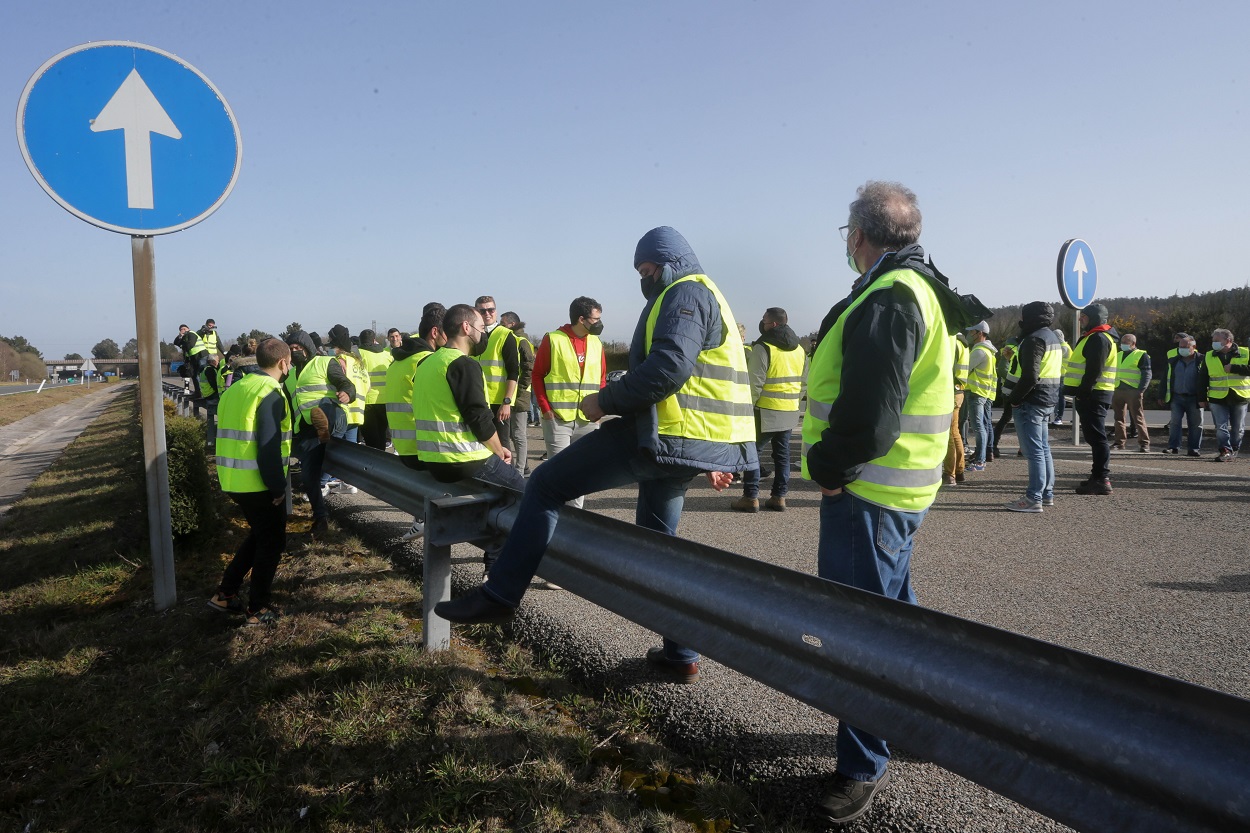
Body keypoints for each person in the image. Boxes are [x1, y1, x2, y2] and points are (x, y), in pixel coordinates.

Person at [435, 227, 755, 684]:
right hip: (687, 442)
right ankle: (680, 653)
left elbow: (669, 367)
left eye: (648, 270)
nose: (644, 279)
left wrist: (604, 401)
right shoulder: (709, 295)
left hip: (664, 437)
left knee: (545, 485)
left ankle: (500, 594)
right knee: (657, 544)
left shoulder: (685, 295)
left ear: (670, 262)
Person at [803, 181, 981, 824]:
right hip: (901, 488)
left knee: (858, 633)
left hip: (868, 488)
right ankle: (912, 723)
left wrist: (827, 467)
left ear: (858, 237)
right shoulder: (923, 286)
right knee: (895, 616)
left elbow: (869, 416)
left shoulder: (889, 296)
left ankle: (861, 766)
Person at [411, 304, 528, 569]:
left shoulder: (427, 363)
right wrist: (500, 450)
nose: (483, 333)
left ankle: (494, 555)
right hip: (464, 458)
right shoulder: (464, 365)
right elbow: (479, 419)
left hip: (433, 459)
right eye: (481, 328)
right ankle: (498, 562)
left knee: (497, 494)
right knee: (522, 494)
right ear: (466, 328)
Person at [207, 338, 294, 625]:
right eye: (289, 361)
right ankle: (258, 609)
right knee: (272, 542)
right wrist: (278, 487)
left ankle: (225, 594)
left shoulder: (237, 388)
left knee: (259, 536)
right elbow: (268, 446)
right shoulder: (271, 393)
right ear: (283, 362)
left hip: (233, 480)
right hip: (258, 483)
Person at [532, 296, 608, 506]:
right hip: (558, 419)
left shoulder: (596, 342)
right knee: (561, 473)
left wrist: (601, 408)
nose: (599, 323)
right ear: (581, 319)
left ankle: (574, 519)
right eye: (596, 319)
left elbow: (601, 379)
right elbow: (537, 375)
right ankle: (556, 517)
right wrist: (545, 408)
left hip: (588, 420)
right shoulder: (553, 339)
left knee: (581, 473)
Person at [731, 307, 807, 512]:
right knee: (783, 456)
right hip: (790, 412)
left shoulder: (763, 347)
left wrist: (747, 408)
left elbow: (755, 382)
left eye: (764, 320)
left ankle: (750, 497)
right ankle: (779, 497)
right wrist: (794, 403)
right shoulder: (800, 350)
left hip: (764, 411)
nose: (761, 323)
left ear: (773, 324)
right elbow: (804, 382)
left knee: (753, 453)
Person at [382, 309, 445, 541]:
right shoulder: (426, 360)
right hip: (424, 441)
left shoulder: (398, 361)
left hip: (403, 442)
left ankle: (420, 519)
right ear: (435, 332)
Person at [284, 330, 352, 537]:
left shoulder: (325, 362)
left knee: (325, 409)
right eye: (292, 349)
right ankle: (320, 517)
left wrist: (348, 393)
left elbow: (346, 383)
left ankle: (326, 429)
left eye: (299, 348)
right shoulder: (289, 376)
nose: (296, 351)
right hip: (306, 431)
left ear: (308, 348)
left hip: (333, 416)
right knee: (308, 476)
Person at [1003, 303, 1064, 511]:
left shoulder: (1033, 339)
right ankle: (1046, 494)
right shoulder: (1051, 337)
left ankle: (1033, 498)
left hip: (1031, 401)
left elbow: (1030, 376)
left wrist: (1014, 398)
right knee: (1043, 449)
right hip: (1048, 399)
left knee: (1034, 451)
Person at [1063, 303, 1116, 494]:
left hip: (1094, 394)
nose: (1080, 319)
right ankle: (1097, 476)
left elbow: (1094, 370)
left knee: (1097, 437)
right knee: (1095, 437)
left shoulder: (1099, 339)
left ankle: (1102, 479)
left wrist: (1084, 391)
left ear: (1093, 318)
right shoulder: (1094, 337)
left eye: (1083, 316)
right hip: (1093, 393)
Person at [473, 296, 521, 456]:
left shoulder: (505, 335)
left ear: (496, 311)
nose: (487, 313)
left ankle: (509, 480)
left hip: (498, 403)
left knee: (502, 448)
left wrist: (506, 402)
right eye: (482, 310)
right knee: (479, 447)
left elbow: (514, 372)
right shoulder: (473, 335)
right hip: (477, 400)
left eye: (491, 310)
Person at [1200, 328, 1250, 461]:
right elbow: (1202, 378)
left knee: (1238, 427)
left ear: (1228, 340)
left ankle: (1234, 448)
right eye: (1213, 341)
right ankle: (1225, 450)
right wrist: (1201, 397)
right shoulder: (1209, 355)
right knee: (1220, 427)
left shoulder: (1246, 352)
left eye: (1216, 341)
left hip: (1239, 396)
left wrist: (1234, 368)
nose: (1213, 343)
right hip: (1217, 397)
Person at [499, 312, 535, 476]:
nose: (500, 325)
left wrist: (520, 390)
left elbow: (528, 368)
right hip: (516, 393)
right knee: (514, 434)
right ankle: (524, 466)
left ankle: (520, 471)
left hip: (520, 395)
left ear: (512, 324)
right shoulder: (516, 339)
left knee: (519, 434)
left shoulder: (520, 340)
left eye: (503, 323)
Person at [963, 321, 995, 471]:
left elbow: (965, 369)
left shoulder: (979, 351)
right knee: (984, 426)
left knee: (978, 427)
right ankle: (982, 456)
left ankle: (980, 461)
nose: (970, 334)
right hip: (986, 393)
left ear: (980, 333)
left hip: (976, 392)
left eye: (972, 331)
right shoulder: (989, 350)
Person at [1111, 333, 1151, 452]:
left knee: (1137, 417)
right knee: (1118, 418)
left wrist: (1141, 389)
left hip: (1133, 390)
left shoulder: (1141, 355)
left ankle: (1144, 443)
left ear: (1133, 344)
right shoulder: (1118, 355)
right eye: (1122, 343)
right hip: (1117, 389)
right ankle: (1119, 442)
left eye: (1126, 343)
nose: (1123, 345)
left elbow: (1147, 374)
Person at [1164, 335, 1203, 456]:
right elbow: (1166, 378)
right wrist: (1161, 395)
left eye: (1185, 347)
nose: (1182, 349)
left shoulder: (1202, 360)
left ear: (1193, 347)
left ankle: (1194, 448)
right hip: (1177, 397)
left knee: (1196, 425)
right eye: (1180, 347)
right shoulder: (1174, 360)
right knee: (1175, 423)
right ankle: (1173, 447)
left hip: (1195, 398)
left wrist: (1204, 397)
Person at [357, 329, 393, 450]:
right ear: (374, 340)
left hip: (367, 402)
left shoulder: (359, 354)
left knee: (371, 440)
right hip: (385, 400)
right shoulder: (387, 355)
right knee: (382, 436)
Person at [942, 333, 969, 486]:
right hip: (959, 391)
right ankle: (959, 471)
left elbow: (946, 367)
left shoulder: (952, 342)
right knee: (955, 432)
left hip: (950, 391)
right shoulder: (963, 343)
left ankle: (949, 474)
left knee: (950, 434)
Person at [992, 341, 1016, 459]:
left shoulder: (1011, 353)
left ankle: (993, 445)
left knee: (1007, 418)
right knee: (1007, 418)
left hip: (1011, 390)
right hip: (1011, 392)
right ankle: (993, 445)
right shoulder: (1010, 353)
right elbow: (1003, 371)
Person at [199, 353, 225, 451]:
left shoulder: (206, 369)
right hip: (211, 395)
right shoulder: (210, 370)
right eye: (218, 360)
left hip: (206, 394)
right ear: (213, 361)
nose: (218, 362)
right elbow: (214, 384)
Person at [175, 323, 206, 397]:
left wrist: (182, 344)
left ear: (188, 329)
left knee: (202, 374)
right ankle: (193, 392)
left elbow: (190, 345)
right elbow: (176, 342)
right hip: (192, 358)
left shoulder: (191, 334)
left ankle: (203, 392)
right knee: (191, 374)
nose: (183, 330)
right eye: (181, 329)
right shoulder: (184, 337)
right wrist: (180, 336)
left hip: (201, 356)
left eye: (184, 329)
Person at [1050, 328, 1071, 426]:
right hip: (1060, 374)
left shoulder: (1063, 348)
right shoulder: (1063, 346)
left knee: (1060, 397)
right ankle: (1057, 416)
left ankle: (1059, 417)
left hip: (1062, 375)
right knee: (1058, 397)